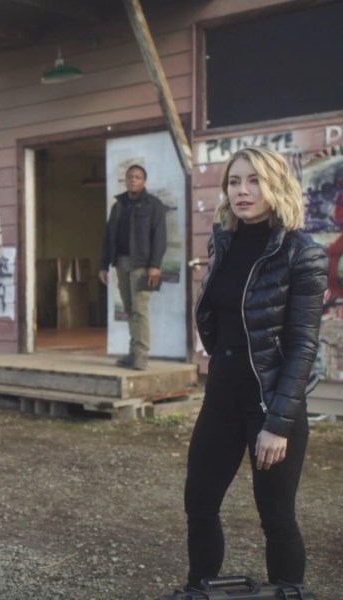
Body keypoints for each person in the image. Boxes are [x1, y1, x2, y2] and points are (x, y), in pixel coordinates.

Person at [183, 146, 326, 589]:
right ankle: (198, 590)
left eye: (254, 180)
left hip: (271, 405)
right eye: (234, 181)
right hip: (222, 397)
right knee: (200, 505)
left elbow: (303, 346)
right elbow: (220, 315)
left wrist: (278, 424)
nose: (243, 191)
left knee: (277, 517)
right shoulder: (222, 241)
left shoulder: (303, 253)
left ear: (276, 185)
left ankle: (289, 595)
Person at [98, 164, 168, 370]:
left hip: (142, 266)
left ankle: (140, 356)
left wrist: (155, 265)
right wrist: (103, 265)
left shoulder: (153, 205)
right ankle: (133, 353)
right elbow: (108, 237)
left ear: (144, 181)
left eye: (137, 177)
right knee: (130, 310)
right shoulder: (118, 205)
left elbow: (160, 237)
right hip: (121, 262)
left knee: (140, 309)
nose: (133, 180)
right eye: (130, 177)